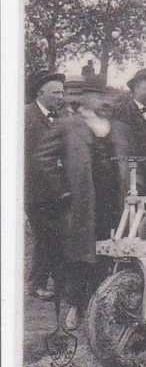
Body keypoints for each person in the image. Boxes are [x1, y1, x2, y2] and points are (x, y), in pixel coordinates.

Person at [34, 83, 125, 330]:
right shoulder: (68, 124)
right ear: (87, 98)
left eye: (108, 96)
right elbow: (44, 158)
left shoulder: (116, 127)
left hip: (115, 202)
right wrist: (62, 190)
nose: (106, 101)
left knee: (112, 252)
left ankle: (105, 307)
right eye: (99, 96)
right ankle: (77, 304)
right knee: (81, 254)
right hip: (83, 202)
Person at [24, 71, 66, 300]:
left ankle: (41, 284)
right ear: (40, 93)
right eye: (55, 92)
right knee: (46, 235)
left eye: (62, 92)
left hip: (54, 189)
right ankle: (37, 284)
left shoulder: (58, 117)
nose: (61, 96)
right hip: (34, 190)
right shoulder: (26, 116)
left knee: (50, 236)